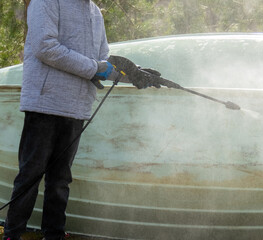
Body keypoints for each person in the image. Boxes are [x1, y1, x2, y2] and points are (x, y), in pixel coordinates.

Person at [3, 0, 153, 239]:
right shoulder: (46, 2)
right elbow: (45, 47)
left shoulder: (94, 11)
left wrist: (133, 75)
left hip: (76, 107)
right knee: (31, 174)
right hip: (45, 104)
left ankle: (54, 234)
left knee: (60, 179)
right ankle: (12, 234)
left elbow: (101, 60)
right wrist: (95, 68)